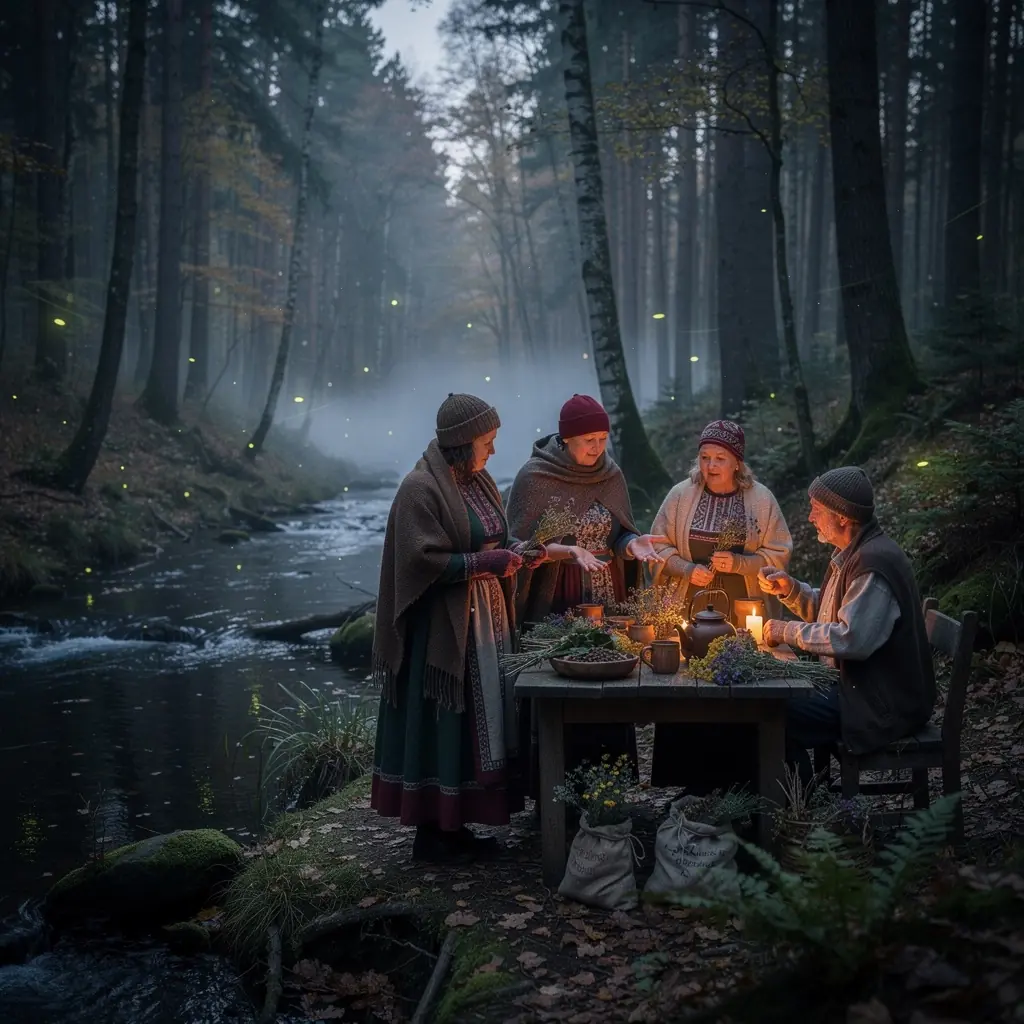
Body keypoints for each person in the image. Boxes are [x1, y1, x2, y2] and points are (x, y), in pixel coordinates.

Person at [370, 393, 533, 864]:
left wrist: (521, 552)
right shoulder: (419, 489)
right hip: (439, 633)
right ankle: (434, 832)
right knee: (447, 724)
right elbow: (419, 561)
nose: (493, 450)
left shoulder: (477, 481)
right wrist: (488, 562)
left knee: (475, 727)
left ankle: (457, 826)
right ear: (463, 443)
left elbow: (490, 536)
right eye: (488, 440)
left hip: (484, 621)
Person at [505, 393, 665, 776]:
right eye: (587, 440)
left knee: (609, 676)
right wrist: (564, 552)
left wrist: (631, 544)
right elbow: (515, 546)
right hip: (558, 596)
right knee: (563, 681)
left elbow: (618, 537)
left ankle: (609, 780)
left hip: (607, 595)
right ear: (566, 440)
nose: (597, 447)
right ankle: (555, 780)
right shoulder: (535, 477)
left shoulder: (610, 474)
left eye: (602, 438)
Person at [759, 466, 936, 784]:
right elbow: (837, 615)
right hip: (857, 690)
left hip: (878, 704)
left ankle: (797, 801)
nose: (811, 517)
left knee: (771, 712)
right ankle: (797, 793)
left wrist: (786, 631)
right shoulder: (854, 554)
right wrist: (792, 590)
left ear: (842, 517)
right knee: (773, 702)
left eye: (816, 510)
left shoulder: (873, 564)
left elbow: (850, 638)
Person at [647, 419, 793, 789]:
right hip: (689, 616)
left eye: (720, 459)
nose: (710, 467)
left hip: (744, 618)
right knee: (688, 692)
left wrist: (742, 563)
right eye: (705, 457)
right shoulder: (681, 495)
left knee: (735, 694)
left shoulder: (760, 500)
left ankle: (740, 785)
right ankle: (688, 785)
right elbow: (656, 545)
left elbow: (778, 553)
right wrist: (684, 567)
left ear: (738, 464)